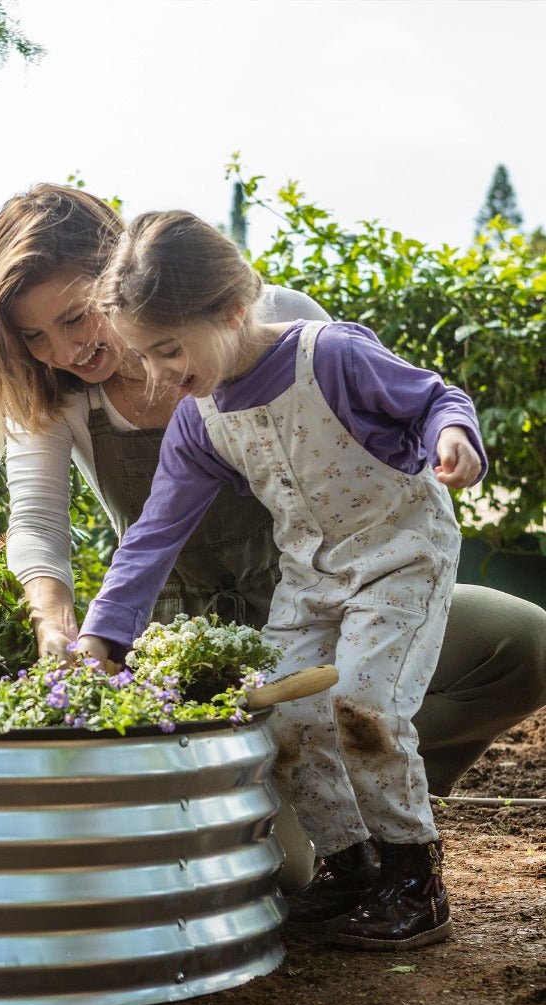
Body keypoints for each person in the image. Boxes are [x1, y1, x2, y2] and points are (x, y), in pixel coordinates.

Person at [0, 182, 546, 902]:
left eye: (78, 317)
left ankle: (387, 806)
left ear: (119, 278)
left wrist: (446, 444)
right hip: (204, 636)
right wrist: (70, 630)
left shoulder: (283, 331)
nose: (65, 351)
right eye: (35, 336)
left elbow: (377, 415)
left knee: (518, 643)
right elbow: (74, 528)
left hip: (330, 592)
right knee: (281, 879)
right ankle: (334, 807)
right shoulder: (69, 398)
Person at [72, 208, 489, 949]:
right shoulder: (200, 420)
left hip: (400, 556)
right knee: (286, 718)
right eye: (147, 358)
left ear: (232, 309)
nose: (162, 375)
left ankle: (413, 880)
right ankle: (352, 867)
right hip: (311, 577)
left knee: (363, 706)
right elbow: (155, 532)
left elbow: (433, 399)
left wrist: (453, 438)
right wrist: (104, 632)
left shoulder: (329, 355)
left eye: (170, 350)